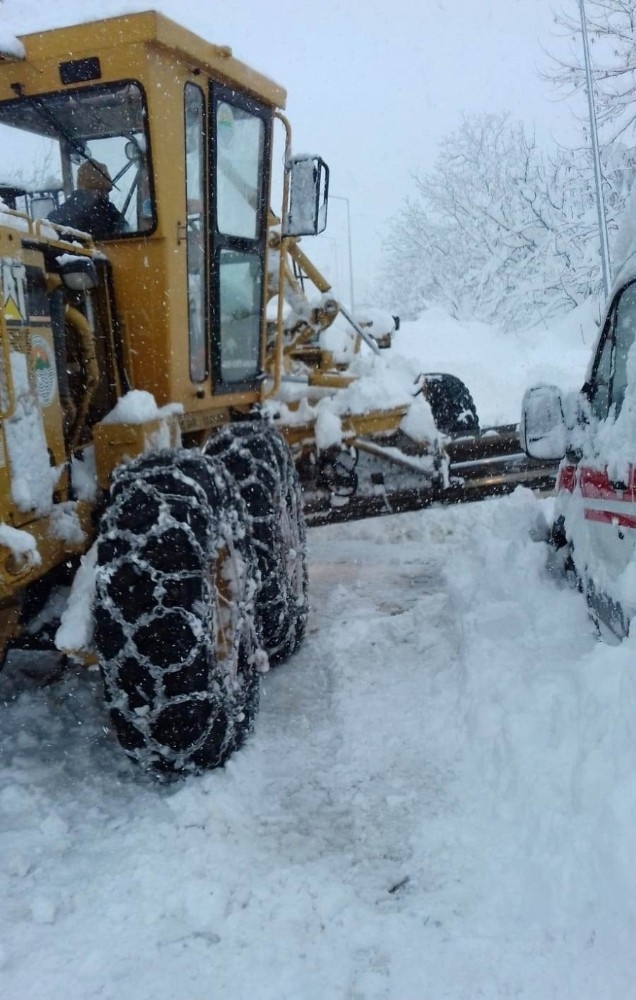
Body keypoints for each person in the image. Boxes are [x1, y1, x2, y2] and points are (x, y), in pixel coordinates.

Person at [48, 159, 129, 239]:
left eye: (107, 191)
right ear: (88, 190)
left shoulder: (110, 212)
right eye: (102, 190)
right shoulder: (106, 213)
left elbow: (128, 234)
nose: (106, 195)